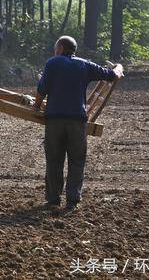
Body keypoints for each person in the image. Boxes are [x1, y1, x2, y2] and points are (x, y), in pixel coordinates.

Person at [33, 36, 123, 211]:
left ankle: (53, 199)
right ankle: (72, 200)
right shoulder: (84, 65)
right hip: (77, 120)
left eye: (55, 47)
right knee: (77, 160)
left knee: (54, 159)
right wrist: (119, 67)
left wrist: (36, 106)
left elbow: (42, 88)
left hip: (55, 120)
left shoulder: (52, 63)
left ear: (60, 47)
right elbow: (112, 76)